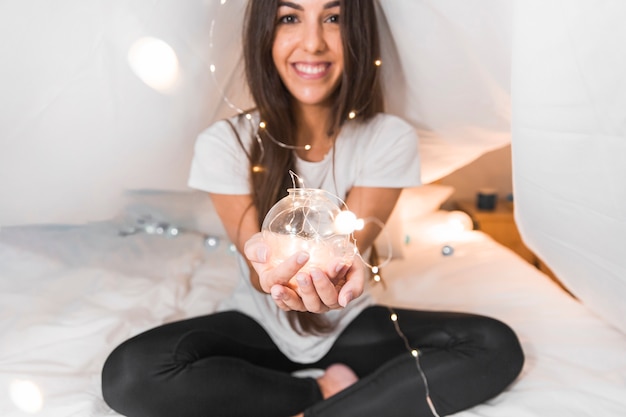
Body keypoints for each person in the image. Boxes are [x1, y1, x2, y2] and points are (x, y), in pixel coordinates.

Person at [101, 0, 524, 416]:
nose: (313, 42)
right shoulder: (226, 142)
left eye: (333, 18)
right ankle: (319, 392)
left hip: (350, 325)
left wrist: (343, 275)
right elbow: (258, 263)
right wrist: (272, 279)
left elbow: (346, 250)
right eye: (289, 18)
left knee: (495, 345)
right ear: (265, 34)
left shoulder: (387, 138)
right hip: (259, 325)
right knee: (129, 374)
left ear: (357, 32)